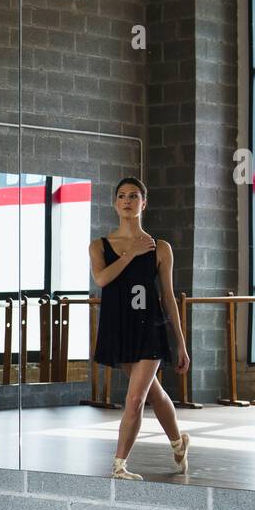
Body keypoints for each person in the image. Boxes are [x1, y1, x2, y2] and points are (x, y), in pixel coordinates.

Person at [89, 176, 191, 480]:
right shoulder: (99, 246)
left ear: (143, 203)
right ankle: (179, 442)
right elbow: (102, 279)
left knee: (134, 399)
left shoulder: (160, 248)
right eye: (121, 196)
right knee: (153, 394)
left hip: (150, 329)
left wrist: (181, 343)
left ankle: (119, 465)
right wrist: (130, 253)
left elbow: (168, 298)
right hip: (119, 329)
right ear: (115, 203)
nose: (127, 201)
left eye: (134, 196)